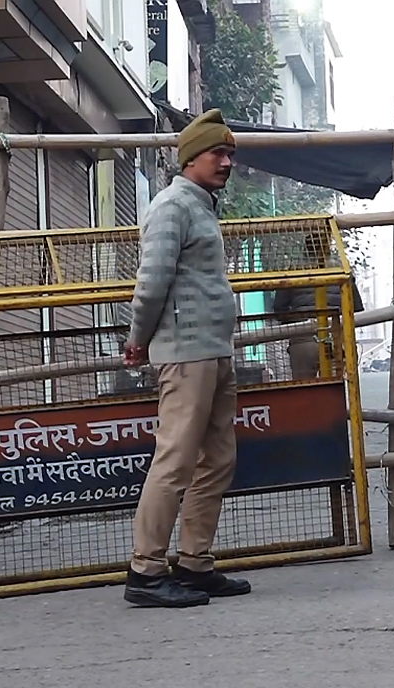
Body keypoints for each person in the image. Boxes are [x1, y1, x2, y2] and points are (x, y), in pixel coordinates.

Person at [122, 108, 252, 607]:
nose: (227, 162)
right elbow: (152, 282)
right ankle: (146, 571)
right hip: (185, 353)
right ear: (191, 157)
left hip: (213, 350)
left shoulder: (201, 204)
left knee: (217, 459)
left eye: (231, 153)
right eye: (218, 153)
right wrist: (139, 339)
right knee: (175, 458)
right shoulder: (172, 205)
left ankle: (195, 563)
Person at [271, 232, 365, 379]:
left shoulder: (291, 272)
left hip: (302, 341)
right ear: (328, 247)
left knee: (305, 392)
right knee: (335, 390)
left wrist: (297, 324)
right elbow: (357, 308)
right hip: (337, 340)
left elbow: (279, 309)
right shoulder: (342, 270)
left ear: (305, 248)